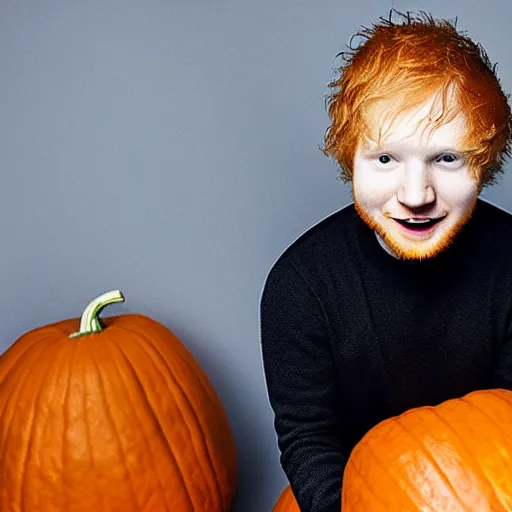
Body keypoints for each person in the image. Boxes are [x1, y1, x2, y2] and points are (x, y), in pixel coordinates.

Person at [260, 10, 512, 512]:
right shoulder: (299, 287)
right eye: (385, 159)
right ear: (347, 156)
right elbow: (309, 438)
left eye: (446, 158)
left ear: (483, 161)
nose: (416, 195)